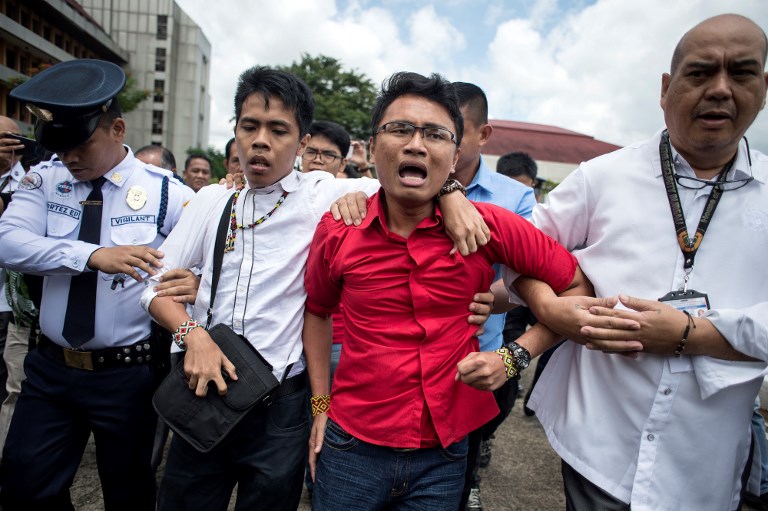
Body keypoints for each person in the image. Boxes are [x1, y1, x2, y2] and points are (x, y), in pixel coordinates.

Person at [140, 65, 487, 511]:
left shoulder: (321, 193)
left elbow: (409, 176)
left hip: (281, 407)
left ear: (303, 142)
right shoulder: (211, 199)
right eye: (250, 126)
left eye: (278, 129)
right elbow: (152, 287)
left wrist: (452, 192)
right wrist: (194, 337)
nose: (260, 140)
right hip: (207, 388)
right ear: (236, 131)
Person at [303, 71, 596, 511]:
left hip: (444, 452)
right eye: (399, 129)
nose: (416, 144)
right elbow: (318, 311)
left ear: (456, 154)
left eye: (435, 134)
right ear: (374, 144)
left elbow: (577, 285)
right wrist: (320, 406)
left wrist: (514, 355)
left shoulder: (487, 226)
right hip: (351, 448)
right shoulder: (339, 227)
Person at [510, 14, 768, 510]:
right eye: (699, 73)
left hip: (705, 463)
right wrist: (550, 308)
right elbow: (521, 250)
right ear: (666, 88)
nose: (719, 89)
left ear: (763, 87)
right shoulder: (600, 177)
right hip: (599, 447)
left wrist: (693, 335)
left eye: (740, 73)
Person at [0, 59, 194, 510]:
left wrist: (194, 282)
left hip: (128, 375)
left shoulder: (166, 191)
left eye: (81, 144)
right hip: (50, 369)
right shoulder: (44, 180)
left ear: (118, 129)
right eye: (59, 146)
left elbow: (209, 253)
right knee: (24, 484)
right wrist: (90, 256)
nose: (69, 157)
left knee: (129, 494)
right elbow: (8, 241)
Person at [450, 83, 537, 511]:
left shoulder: (515, 197)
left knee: (465, 452)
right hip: (411, 354)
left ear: (483, 135)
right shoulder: (412, 180)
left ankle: (470, 483)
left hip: (479, 351)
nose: (440, 143)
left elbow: (529, 278)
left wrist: (492, 298)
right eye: (434, 130)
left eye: (454, 132)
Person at [495, 151, 550, 419]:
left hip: (524, 298)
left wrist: (510, 362)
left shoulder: (545, 224)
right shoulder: (475, 214)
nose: (521, 197)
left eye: (526, 189)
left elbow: (554, 323)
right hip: (494, 319)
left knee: (505, 390)